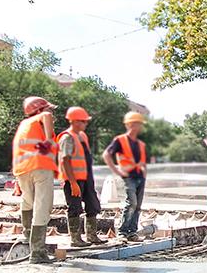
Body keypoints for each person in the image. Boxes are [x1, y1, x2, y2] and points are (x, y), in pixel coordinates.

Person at [12, 95, 58, 264]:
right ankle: (37, 252)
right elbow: (47, 117)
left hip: (22, 169)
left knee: (28, 201)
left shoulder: (23, 125)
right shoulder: (42, 116)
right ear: (39, 110)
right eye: (47, 108)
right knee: (42, 206)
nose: (50, 111)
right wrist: (48, 139)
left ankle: (26, 235)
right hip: (40, 166)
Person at [57, 106, 104, 248]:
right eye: (83, 121)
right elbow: (65, 160)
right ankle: (75, 238)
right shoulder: (67, 137)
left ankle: (91, 235)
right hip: (73, 179)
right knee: (75, 208)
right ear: (74, 121)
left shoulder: (82, 136)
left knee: (93, 205)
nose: (85, 124)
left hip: (86, 178)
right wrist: (72, 182)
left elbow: (85, 159)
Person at [103, 109, 148, 241]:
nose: (139, 126)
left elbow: (142, 162)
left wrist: (144, 173)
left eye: (140, 124)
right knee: (131, 203)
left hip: (140, 177)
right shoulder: (120, 140)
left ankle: (132, 232)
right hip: (129, 177)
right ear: (129, 125)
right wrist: (117, 171)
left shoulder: (140, 144)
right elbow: (107, 155)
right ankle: (123, 231)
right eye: (136, 123)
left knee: (138, 205)